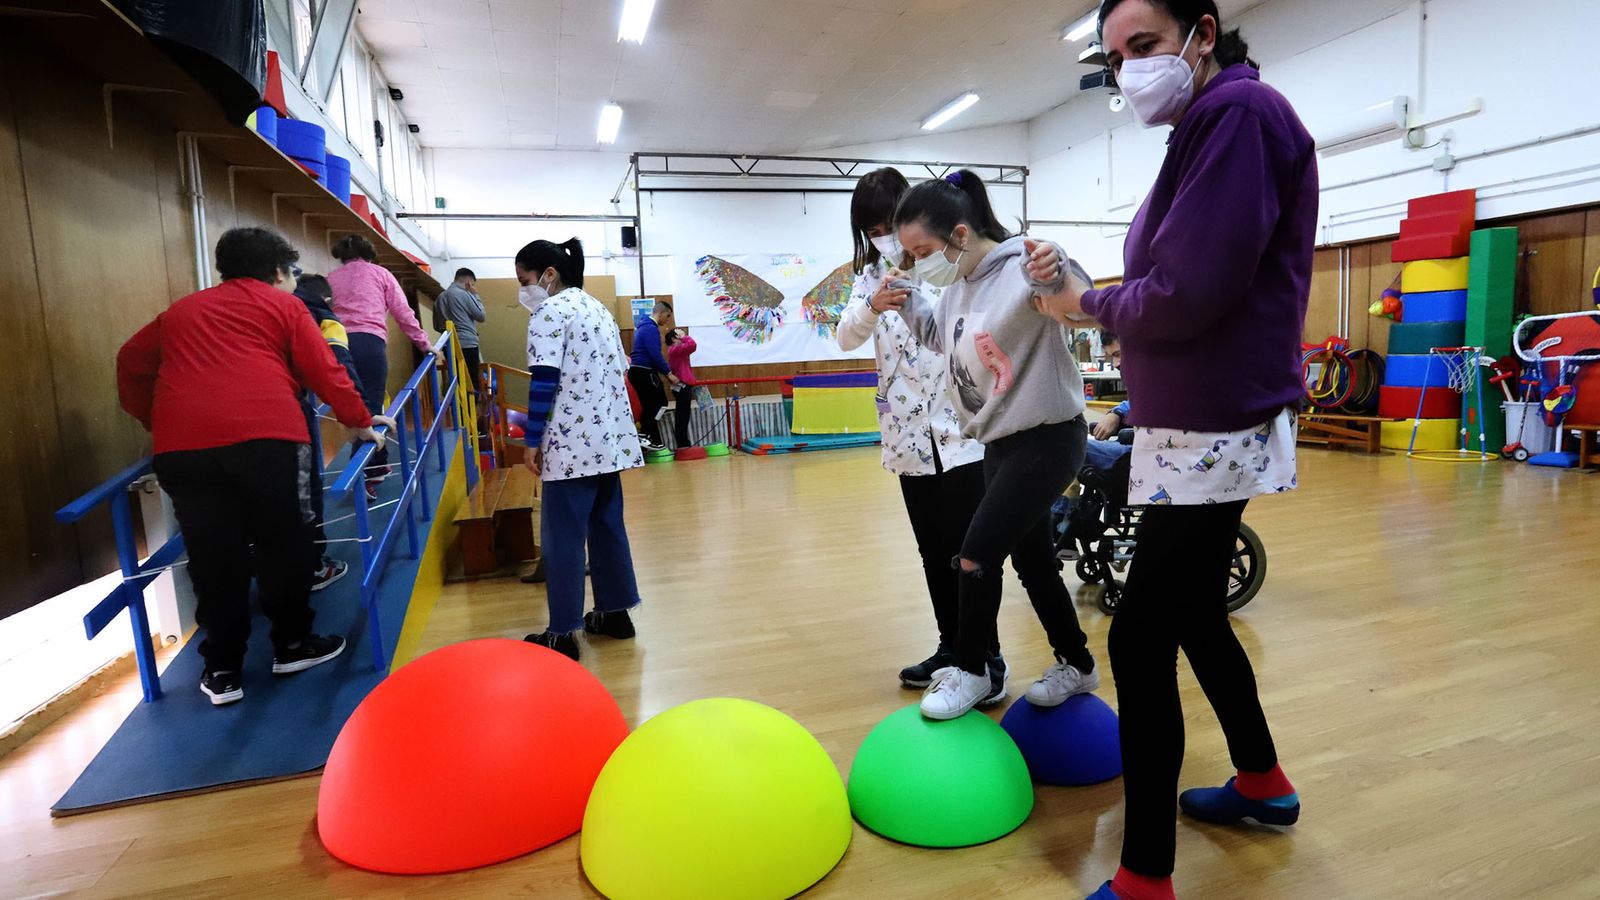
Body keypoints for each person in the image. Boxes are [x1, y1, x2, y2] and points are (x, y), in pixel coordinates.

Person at [1033, 2, 1315, 897]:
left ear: (1202, 29)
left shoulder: (1237, 115)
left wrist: (1088, 307)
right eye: (1115, 56)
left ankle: (1146, 874)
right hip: (1195, 418)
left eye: (1144, 46)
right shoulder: (1206, 126)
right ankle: (1263, 782)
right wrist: (1093, 296)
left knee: (1143, 637)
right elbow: (1177, 282)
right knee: (1192, 615)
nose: (1129, 70)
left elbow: (1188, 293)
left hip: (1215, 420)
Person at [115, 227, 390, 706]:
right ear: (280, 271)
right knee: (285, 542)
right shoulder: (286, 306)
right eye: (292, 273)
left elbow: (131, 362)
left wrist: (157, 418)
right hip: (269, 440)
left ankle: (222, 669)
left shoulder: (182, 310)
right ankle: (291, 645)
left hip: (185, 449)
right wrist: (360, 421)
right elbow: (323, 368)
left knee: (212, 554)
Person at [889, 170, 1099, 721]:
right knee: (1033, 562)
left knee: (974, 556)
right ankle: (1077, 664)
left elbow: (1078, 305)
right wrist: (907, 298)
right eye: (909, 255)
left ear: (959, 234)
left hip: (1049, 439)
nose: (918, 261)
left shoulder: (1023, 267)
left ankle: (974, 669)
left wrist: (1057, 270)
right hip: (1002, 445)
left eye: (922, 251)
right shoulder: (958, 284)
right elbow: (940, 337)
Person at [837, 167, 1006, 697]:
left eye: (887, 222)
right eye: (871, 229)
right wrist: (872, 306)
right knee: (934, 551)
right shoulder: (869, 278)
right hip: (909, 440)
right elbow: (844, 336)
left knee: (971, 554)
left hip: (964, 436)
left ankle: (987, 659)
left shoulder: (946, 265)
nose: (883, 236)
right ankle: (951, 646)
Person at [517, 237, 645, 661]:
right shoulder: (599, 310)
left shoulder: (549, 313)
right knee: (608, 528)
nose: (525, 290)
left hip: (571, 445)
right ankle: (615, 614)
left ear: (549, 275)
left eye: (526, 280)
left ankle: (563, 633)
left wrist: (531, 440)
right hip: (609, 442)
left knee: (563, 538)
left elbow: (544, 381)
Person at [327, 234, 437, 498]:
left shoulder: (331, 277)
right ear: (370, 254)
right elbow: (402, 312)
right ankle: (363, 474)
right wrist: (424, 344)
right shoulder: (380, 274)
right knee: (372, 407)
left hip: (336, 343)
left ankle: (376, 462)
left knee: (354, 405)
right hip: (369, 342)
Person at [292, 273, 366, 593]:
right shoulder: (313, 313)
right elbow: (336, 363)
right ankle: (311, 569)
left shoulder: (186, 310)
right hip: (282, 418)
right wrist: (357, 416)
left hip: (187, 441)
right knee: (303, 490)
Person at [629, 299, 677, 451]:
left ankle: (650, 440)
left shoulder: (643, 327)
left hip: (637, 371)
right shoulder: (650, 328)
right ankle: (646, 436)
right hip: (644, 371)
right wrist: (668, 373)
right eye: (668, 316)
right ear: (660, 313)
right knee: (661, 402)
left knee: (647, 406)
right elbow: (655, 354)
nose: (668, 320)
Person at [434, 267, 487, 394]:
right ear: (468, 282)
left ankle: (459, 411)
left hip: (449, 345)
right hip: (468, 344)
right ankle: (471, 410)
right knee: (471, 381)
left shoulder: (440, 297)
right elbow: (481, 316)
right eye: (472, 284)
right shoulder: (465, 294)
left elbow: (436, 326)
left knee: (457, 379)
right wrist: (475, 294)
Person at [1086, 332, 1132, 471]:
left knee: (1068, 446)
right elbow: (1138, 402)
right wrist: (1117, 412)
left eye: (1119, 354)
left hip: (1143, 453)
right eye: (1113, 356)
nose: (1116, 364)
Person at [665, 326, 699, 449]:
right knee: (682, 416)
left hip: (682, 386)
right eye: (679, 336)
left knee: (683, 415)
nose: (682, 338)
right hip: (682, 387)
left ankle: (683, 442)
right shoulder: (675, 350)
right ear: (674, 339)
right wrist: (684, 337)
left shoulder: (675, 351)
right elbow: (692, 345)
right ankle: (683, 443)